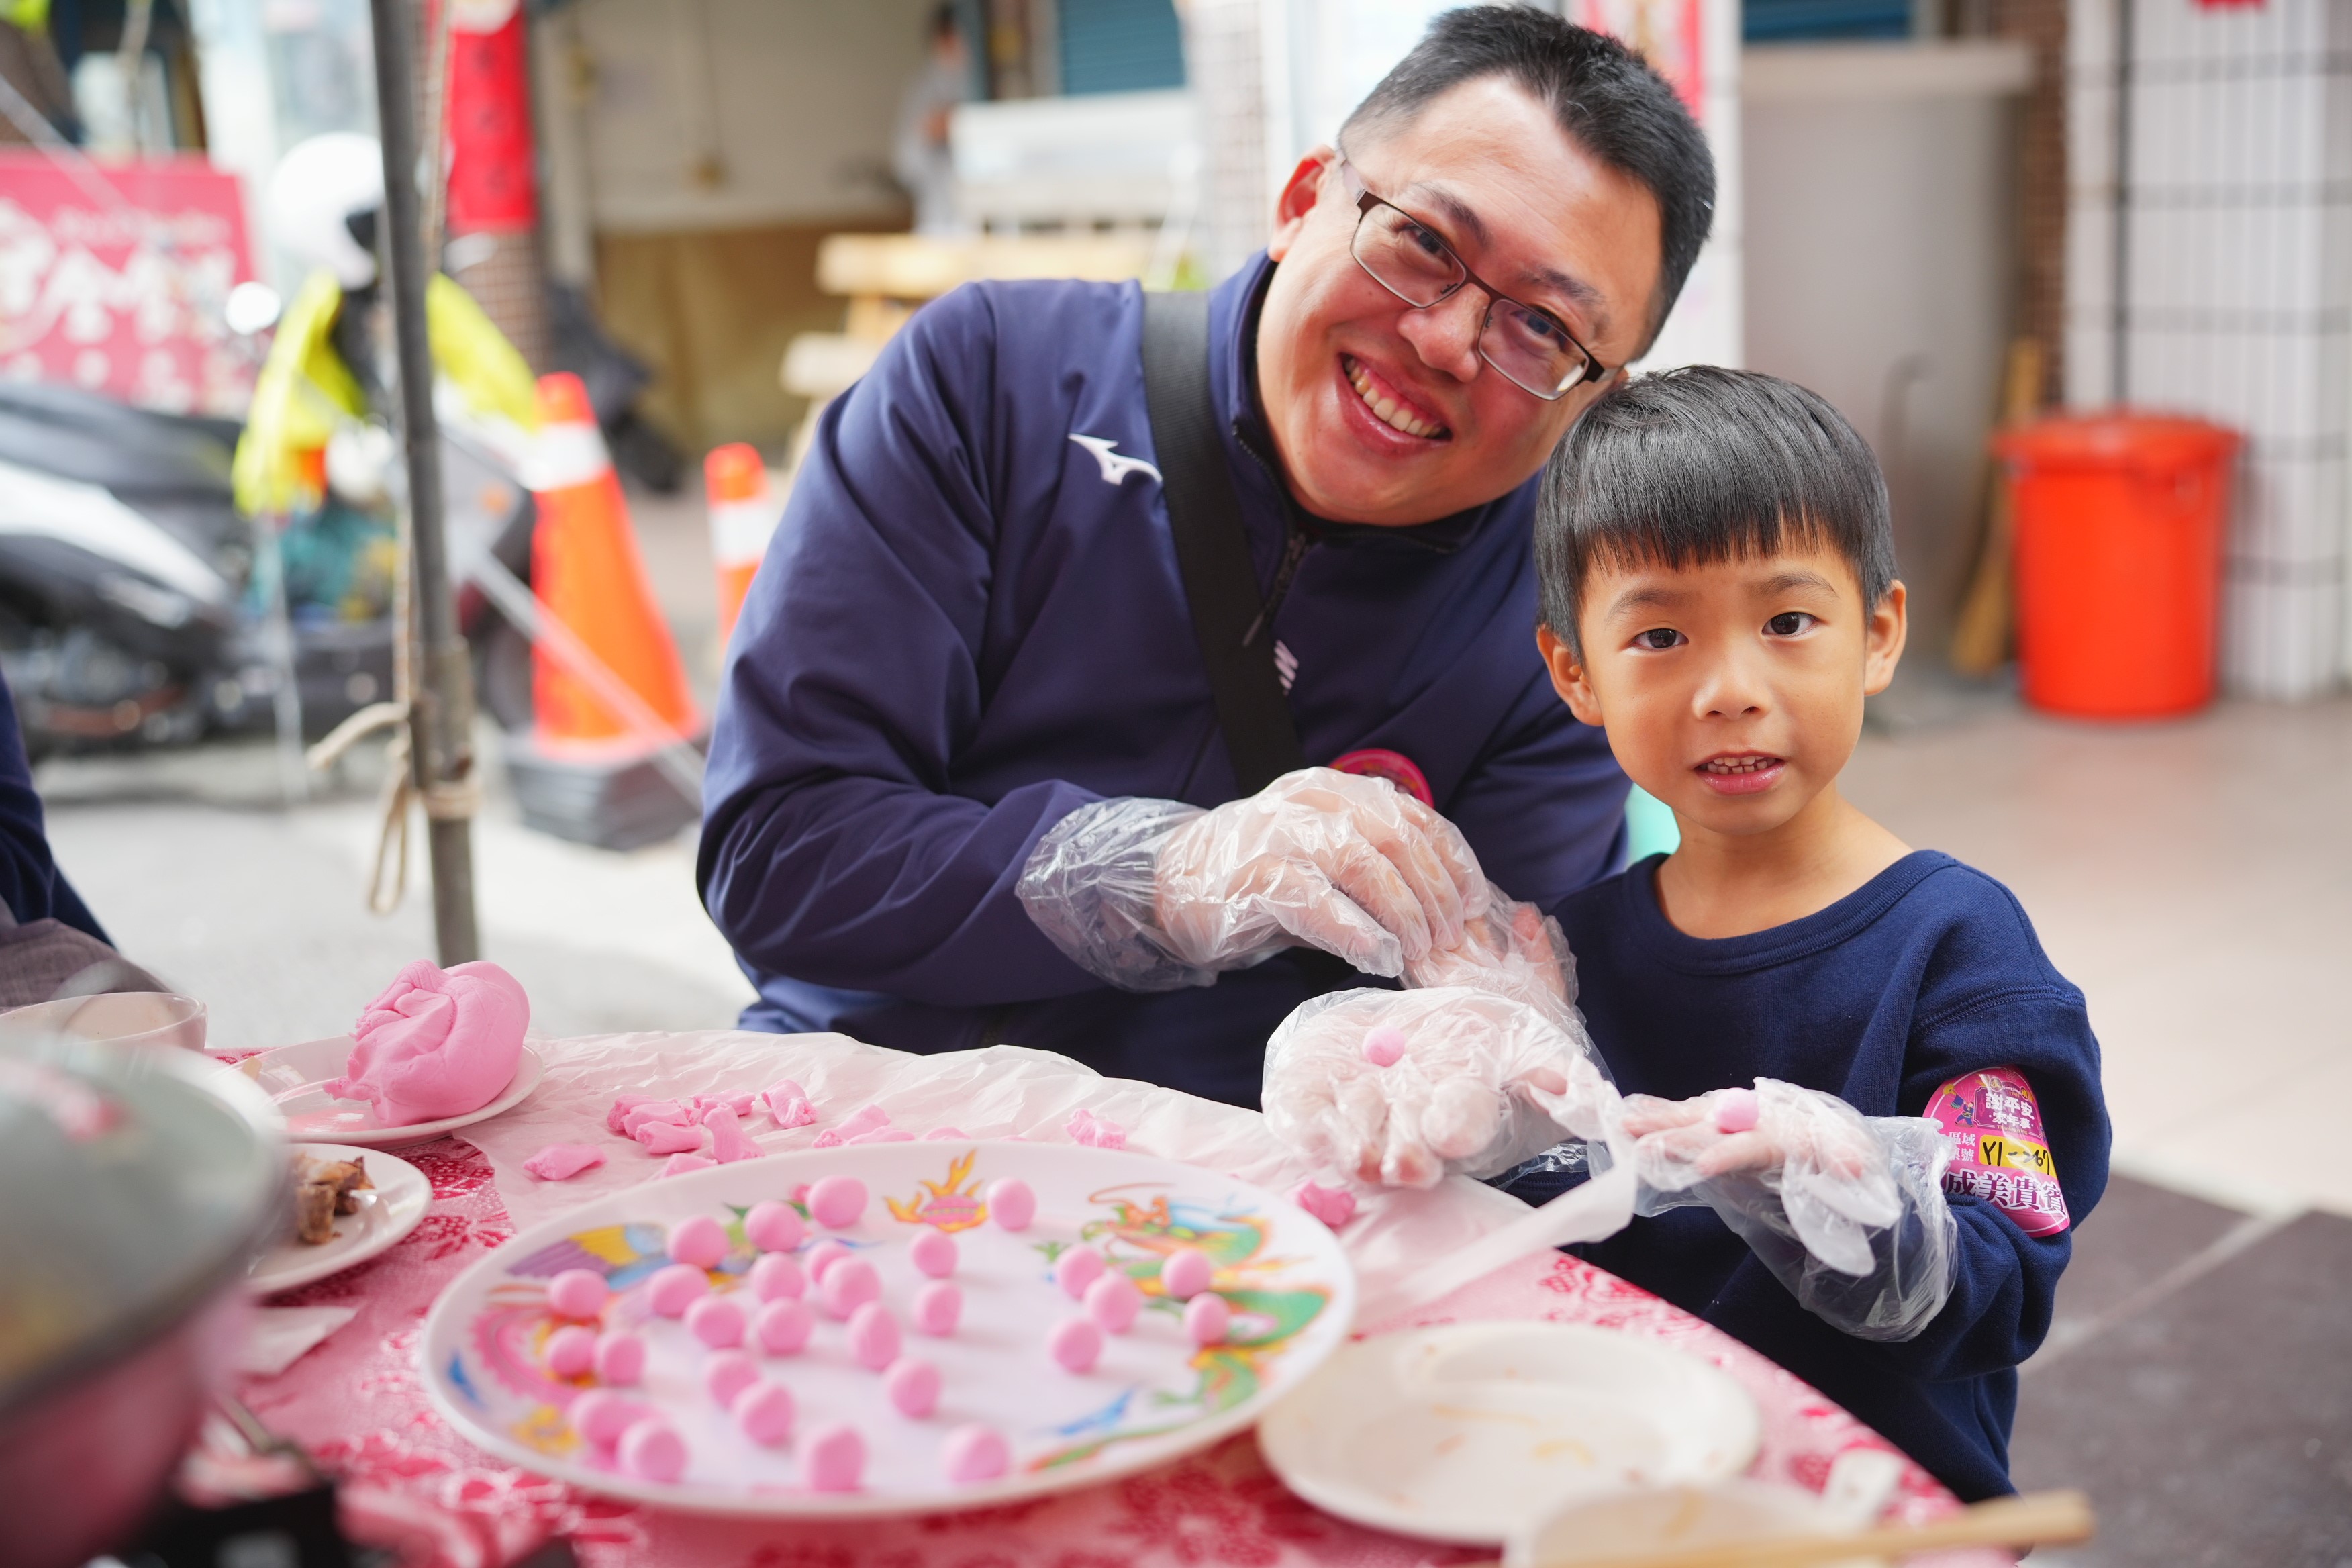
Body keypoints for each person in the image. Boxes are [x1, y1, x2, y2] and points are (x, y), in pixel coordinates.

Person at [699, 9, 1714, 1106]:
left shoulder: (1558, 622)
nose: (1442, 342)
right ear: (1299, 202)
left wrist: (1503, 1061)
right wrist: (1164, 877)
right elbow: (776, 851)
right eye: (1422, 240)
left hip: (1242, 1216)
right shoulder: (989, 381)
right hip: (857, 1116)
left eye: (1541, 329)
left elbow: (1477, 1022)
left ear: (1593, 396)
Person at [1267, 367, 2110, 1502]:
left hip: (1856, 1506)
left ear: (1875, 634)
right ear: (1574, 673)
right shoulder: (1565, 954)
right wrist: (1433, 1109)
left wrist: (1838, 1197)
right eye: (1659, 634)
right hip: (1607, 1477)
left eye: (1786, 622)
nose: (1727, 687)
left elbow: (2003, 1278)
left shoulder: (1955, 948)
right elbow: (1527, 1233)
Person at [892, 4, 970, 236]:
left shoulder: (987, 79)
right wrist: (928, 132)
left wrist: (963, 122)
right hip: (941, 219)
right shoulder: (924, 88)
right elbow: (905, 164)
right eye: (945, 40)